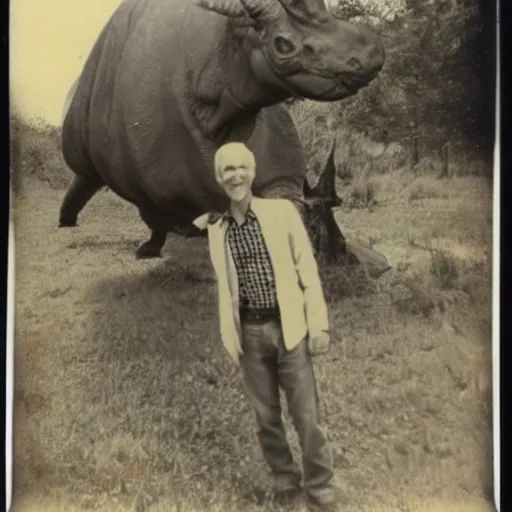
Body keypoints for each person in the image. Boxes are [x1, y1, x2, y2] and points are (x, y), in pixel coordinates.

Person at [193, 142, 339, 509]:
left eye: (242, 168)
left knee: (307, 414)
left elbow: (307, 268)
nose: (236, 176)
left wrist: (318, 325)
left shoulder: (282, 213)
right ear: (218, 177)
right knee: (266, 416)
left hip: (289, 328)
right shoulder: (217, 228)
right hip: (250, 335)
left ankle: (320, 484)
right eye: (228, 170)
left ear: (253, 172)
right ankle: (285, 481)